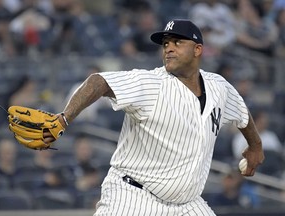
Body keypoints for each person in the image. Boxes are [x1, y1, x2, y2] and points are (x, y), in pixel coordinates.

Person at [43, 19, 264, 215]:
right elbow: (98, 81)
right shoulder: (151, 83)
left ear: (198, 50)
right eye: (166, 44)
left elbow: (241, 113)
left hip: (187, 204)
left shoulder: (218, 87)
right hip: (133, 197)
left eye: (178, 42)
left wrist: (255, 146)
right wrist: (64, 118)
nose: (169, 48)